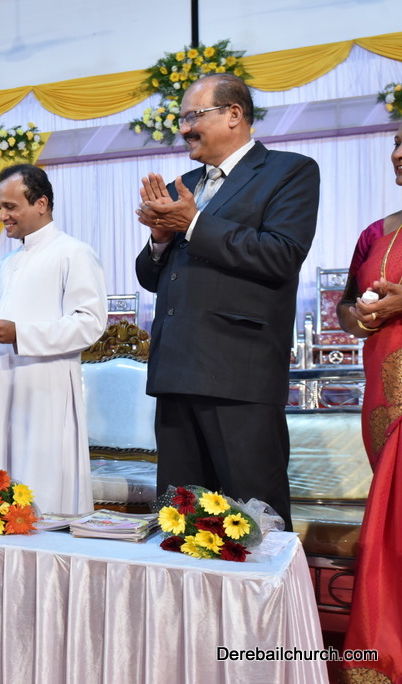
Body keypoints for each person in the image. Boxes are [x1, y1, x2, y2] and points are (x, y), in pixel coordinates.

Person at [134, 73, 320, 530]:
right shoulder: (184, 184)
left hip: (239, 374)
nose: (184, 129)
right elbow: (154, 278)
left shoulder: (289, 171)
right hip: (175, 372)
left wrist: (194, 224)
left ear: (234, 114)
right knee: (180, 522)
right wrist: (160, 239)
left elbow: (281, 255)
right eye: (181, 119)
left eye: (193, 116)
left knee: (252, 524)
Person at [0, 164, 107, 514]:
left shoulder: (73, 252)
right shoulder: (8, 262)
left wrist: (21, 334)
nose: (2, 216)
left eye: (10, 207)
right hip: (1, 381)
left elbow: (90, 323)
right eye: (0, 207)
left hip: (44, 388)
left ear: (41, 204)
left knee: (41, 486)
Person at [335, 120, 402, 684]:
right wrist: (360, 316)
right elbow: (345, 307)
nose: (399, 154)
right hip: (383, 385)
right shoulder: (376, 232)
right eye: (397, 142)